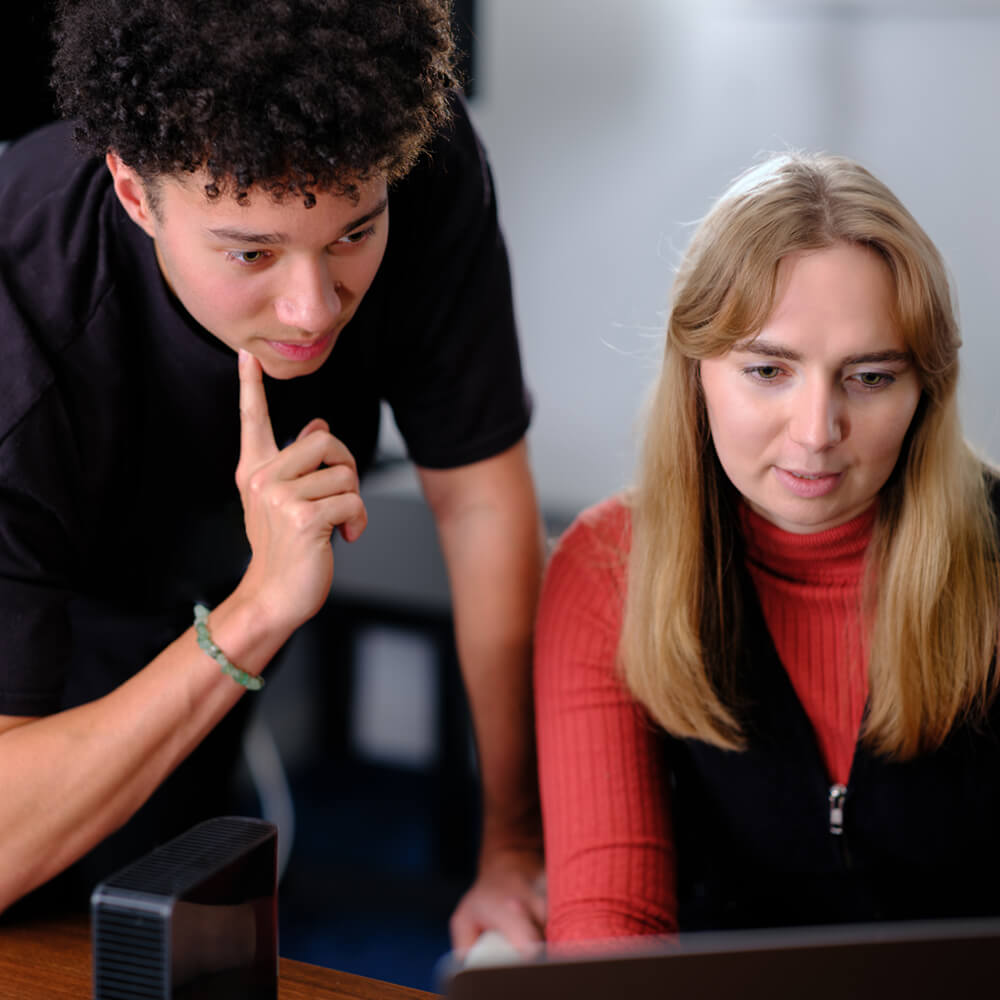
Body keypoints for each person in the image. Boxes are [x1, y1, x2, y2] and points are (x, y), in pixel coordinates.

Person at [0, 0, 546, 951]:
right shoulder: (25, 320)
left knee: (190, 916)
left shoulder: (415, 152)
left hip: (227, 578)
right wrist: (255, 614)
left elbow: (480, 501)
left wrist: (514, 845)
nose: (312, 308)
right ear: (135, 195)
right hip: (58, 629)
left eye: (352, 235)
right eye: (250, 252)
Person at [534, 152, 1000, 946]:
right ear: (697, 374)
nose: (817, 433)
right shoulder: (608, 570)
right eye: (767, 370)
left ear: (925, 390)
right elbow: (611, 932)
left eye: (871, 378)